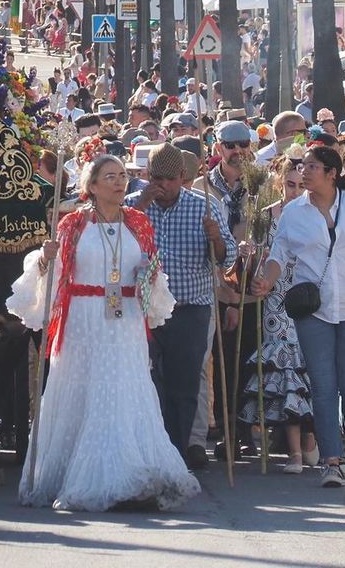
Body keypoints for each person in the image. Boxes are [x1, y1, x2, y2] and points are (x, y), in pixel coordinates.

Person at [8, 153, 197, 510]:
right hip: (84, 318)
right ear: (91, 186)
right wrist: (46, 258)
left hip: (125, 319)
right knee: (86, 389)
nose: (118, 181)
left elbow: (151, 266)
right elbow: (55, 272)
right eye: (109, 176)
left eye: (123, 175)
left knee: (125, 388)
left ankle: (131, 472)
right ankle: (77, 475)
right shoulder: (72, 225)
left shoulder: (139, 223)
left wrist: (150, 278)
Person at [252, 143, 345, 488]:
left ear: (333, 174)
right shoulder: (293, 213)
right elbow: (279, 255)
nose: (304, 172)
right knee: (322, 384)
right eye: (302, 167)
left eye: (312, 167)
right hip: (313, 311)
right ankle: (331, 459)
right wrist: (265, 282)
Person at [128, 142, 229, 465]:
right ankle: (152, 449)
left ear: (183, 177)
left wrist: (215, 238)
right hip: (142, 310)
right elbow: (114, 244)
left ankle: (181, 450)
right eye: (157, 178)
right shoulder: (131, 207)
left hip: (190, 308)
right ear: (147, 175)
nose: (164, 186)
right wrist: (142, 204)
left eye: (170, 179)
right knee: (147, 381)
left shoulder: (205, 207)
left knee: (184, 384)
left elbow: (226, 259)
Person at [239, 158, 317, 473]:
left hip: (308, 298)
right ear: (280, 182)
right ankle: (296, 452)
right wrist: (247, 257)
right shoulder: (265, 216)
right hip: (276, 300)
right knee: (285, 368)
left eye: (301, 185)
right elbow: (253, 268)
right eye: (290, 185)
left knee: (309, 366)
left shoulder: (314, 215)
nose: (295, 191)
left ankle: (311, 440)